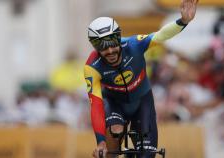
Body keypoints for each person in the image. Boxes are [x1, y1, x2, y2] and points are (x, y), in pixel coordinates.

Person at [84, 0, 198, 157]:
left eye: (112, 43)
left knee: (147, 154)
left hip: (142, 100)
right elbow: (96, 105)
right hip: (115, 102)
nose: (109, 50)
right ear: (94, 47)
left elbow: (161, 35)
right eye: (102, 46)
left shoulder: (134, 45)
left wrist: (183, 21)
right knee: (115, 131)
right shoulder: (92, 67)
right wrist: (101, 143)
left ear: (119, 38)